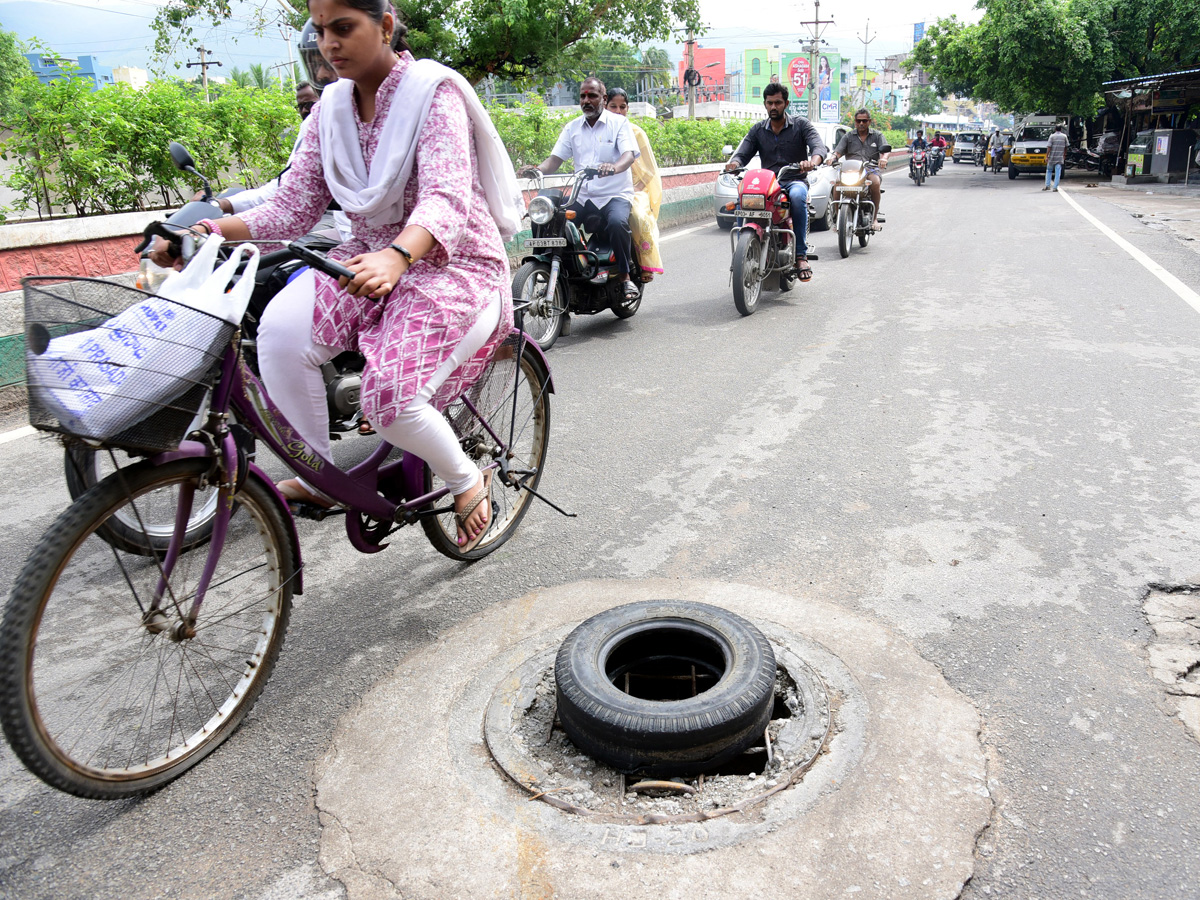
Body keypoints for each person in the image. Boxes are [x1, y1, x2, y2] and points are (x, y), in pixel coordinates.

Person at [153, 0, 522, 552]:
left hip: (454, 264)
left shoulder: (433, 93)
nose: (329, 44)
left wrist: (398, 257)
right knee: (278, 333)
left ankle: (468, 477)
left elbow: (446, 199)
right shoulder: (329, 110)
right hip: (364, 258)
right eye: (321, 30)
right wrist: (208, 230)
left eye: (344, 28)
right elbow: (293, 206)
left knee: (389, 401)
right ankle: (320, 476)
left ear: (387, 26)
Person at [520, 77, 641, 301]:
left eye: (592, 96)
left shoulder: (618, 124)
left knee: (617, 223)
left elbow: (628, 156)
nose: (587, 100)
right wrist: (537, 170)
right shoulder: (572, 127)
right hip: (583, 195)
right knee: (550, 219)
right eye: (583, 96)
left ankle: (625, 278)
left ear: (603, 99)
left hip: (614, 195)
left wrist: (614, 167)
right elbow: (555, 160)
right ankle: (551, 271)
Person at [724, 81, 827, 282]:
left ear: (786, 103)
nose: (773, 107)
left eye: (778, 103)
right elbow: (742, 154)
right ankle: (741, 252)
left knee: (797, 197)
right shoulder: (757, 130)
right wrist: (734, 163)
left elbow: (818, 148)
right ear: (765, 104)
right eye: (770, 103)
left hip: (793, 180)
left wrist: (812, 162)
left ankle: (800, 256)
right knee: (741, 198)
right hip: (768, 184)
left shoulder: (801, 125)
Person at [603, 87, 663, 280]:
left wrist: (633, 188)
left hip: (636, 189)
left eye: (622, 107)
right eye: (613, 106)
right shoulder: (598, 131)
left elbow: (649, 170)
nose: (618, 111)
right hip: (603, 189)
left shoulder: (636, 133)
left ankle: (644, 264)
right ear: (605, 106)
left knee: (636, 215)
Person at [826, 108, 889, 228]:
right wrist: (832, 158)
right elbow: (838, 152)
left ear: (869, 121)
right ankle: (838, 218)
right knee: (837, 183)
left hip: (870, 168)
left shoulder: (877, 135)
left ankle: (874, 218)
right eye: (858, 121)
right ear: (855, 122)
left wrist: (884, 159)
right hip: (851, 170)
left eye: (864, 121)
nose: (861, 123)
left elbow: (884, 152)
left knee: (875, 182)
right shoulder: (848, 136)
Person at [1044, 123, 1068, 192]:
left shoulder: (1052, 136)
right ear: (1061, 129)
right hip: (1060, 157)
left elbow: (1049, 147)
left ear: (1055, 129)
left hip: (1052, 157)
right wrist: (1064, 154)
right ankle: (1055, 187)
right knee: (1058, 172)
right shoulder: (1064, 136)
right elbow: (1066, 146)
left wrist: (1047, 156)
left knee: (1049, 171)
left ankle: (1047, 186)